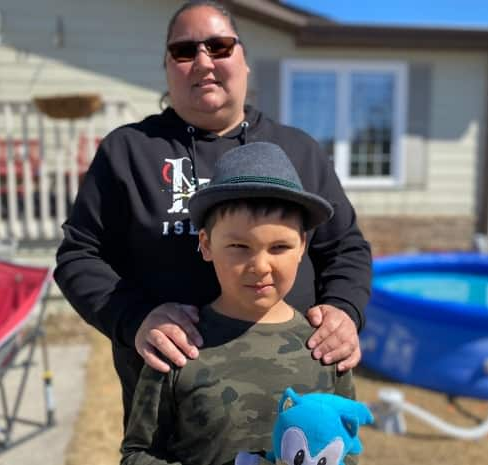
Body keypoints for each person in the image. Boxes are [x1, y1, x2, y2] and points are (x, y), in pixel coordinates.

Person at [54, 0, 371, 439]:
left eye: (219, 46)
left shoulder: (298, 150)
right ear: (167, 67)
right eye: (184, 51)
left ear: (244, 60)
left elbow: (346, 248)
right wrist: (135, 317)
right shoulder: (128, 151)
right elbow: (79, 255)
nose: (203, 60)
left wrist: (343, 309)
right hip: (175, 407)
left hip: (292, 399)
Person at [121, 141, 358, 465]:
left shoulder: (327, 347)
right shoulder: (178, 346)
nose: (260, 266)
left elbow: (346, 452)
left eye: (279, 247)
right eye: (238, 246)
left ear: (302, 245)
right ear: (206, 244)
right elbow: (138, 455)